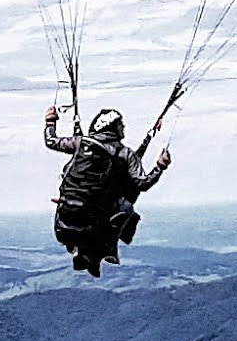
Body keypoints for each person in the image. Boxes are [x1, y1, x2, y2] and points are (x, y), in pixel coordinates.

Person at [44, 104, 172, 275]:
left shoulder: (80, 142)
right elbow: (143, 184)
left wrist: (50, 121)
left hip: (63, 224)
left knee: (107, 209)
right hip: (93, 227)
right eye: (120, 124)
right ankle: (107, 250)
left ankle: (85, 252)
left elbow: (51, 141)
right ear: (112, 127)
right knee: (128, 209)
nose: (123, 128)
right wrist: (160, 167)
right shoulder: (125, 154)